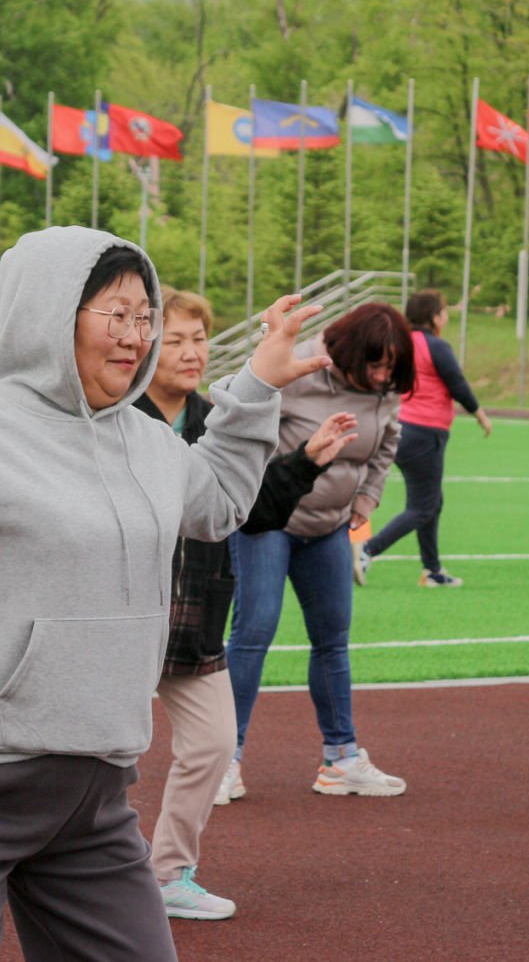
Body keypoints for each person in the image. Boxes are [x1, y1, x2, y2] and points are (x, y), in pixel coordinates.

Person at [0, 229, 327, 961]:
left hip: (93, 796)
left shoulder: (149, 444)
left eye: (144, 316)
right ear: (49, 315)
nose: (135, 337)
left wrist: (256, 388)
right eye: (116, 315)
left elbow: (221, 502)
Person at [137, 288, 356, 921]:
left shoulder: (218, 419)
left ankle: (168, 873)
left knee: (211, 747)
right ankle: (77, 873)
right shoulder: (116, 418)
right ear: (143, 346)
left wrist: (305, 463)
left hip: (193, 621)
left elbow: (250, 511)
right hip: (122, 619)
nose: (192, 352)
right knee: (99, 758)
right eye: (176, 340)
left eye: (200, 338)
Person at [222, 302, 413, 805]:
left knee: (332, 640)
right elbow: (238, 415)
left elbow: (387, 445)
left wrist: (366, 500)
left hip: (329, 527)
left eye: (392, 366)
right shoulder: (300, 368)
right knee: (253, 633)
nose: (383, 375)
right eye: (375, 364)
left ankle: (341, 759)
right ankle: (223, 759)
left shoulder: (385, 389)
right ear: (350, 352)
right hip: (269, 521)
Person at [359, 289, 492, 588]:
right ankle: (366, 551)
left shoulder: (400, 342)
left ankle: (432, 570)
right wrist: (480, 414)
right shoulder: (436, 346)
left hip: (399, 429)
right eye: (443, 311)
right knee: (423, 507)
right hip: (424, 433)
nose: (446, 316)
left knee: (432, 501)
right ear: (434, 317)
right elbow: (457, 383)